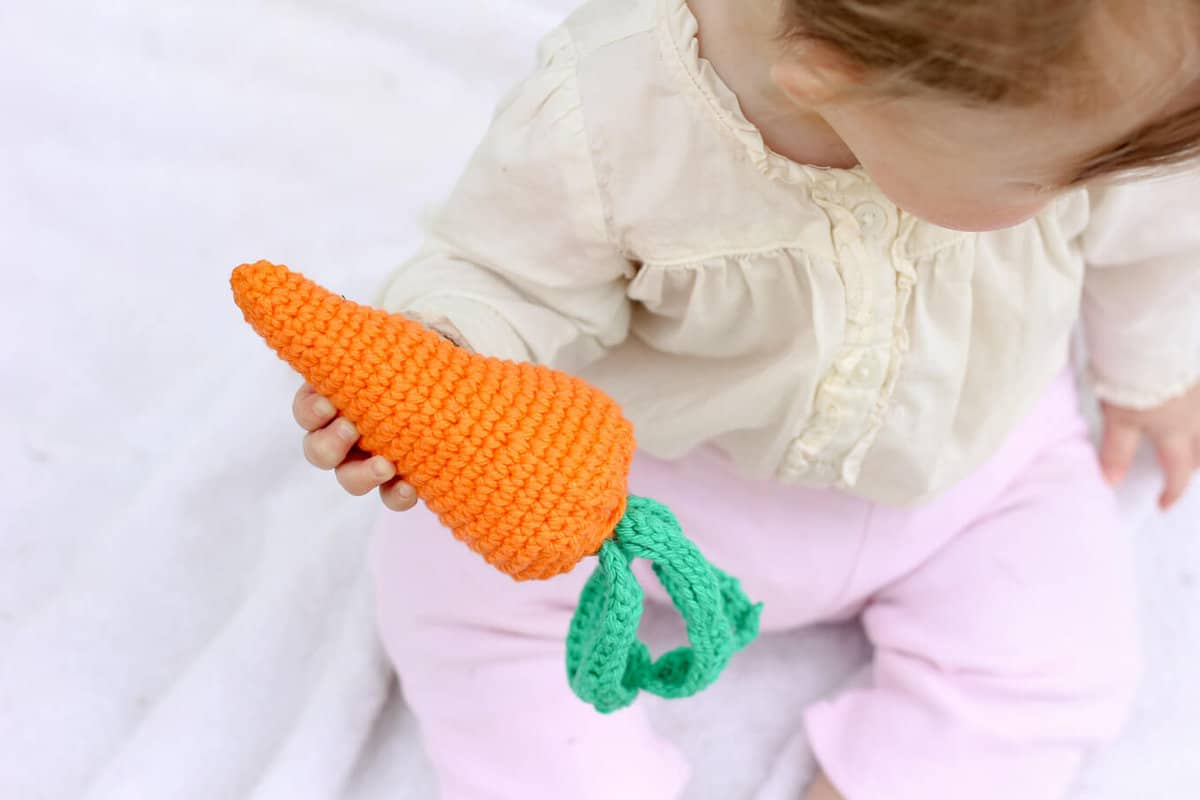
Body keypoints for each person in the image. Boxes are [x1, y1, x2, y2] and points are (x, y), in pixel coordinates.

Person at [293, 0, 1200, 797]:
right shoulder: (613, 115)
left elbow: (1159, 232)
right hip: (657, 482)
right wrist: (444, 364)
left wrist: (1150, 371)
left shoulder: (1097, 113)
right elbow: (504, 273)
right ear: (832, 83)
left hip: (973, 469)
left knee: (1061, 657)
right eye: (1046, 178)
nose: (1092, 186)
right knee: (447, 581)